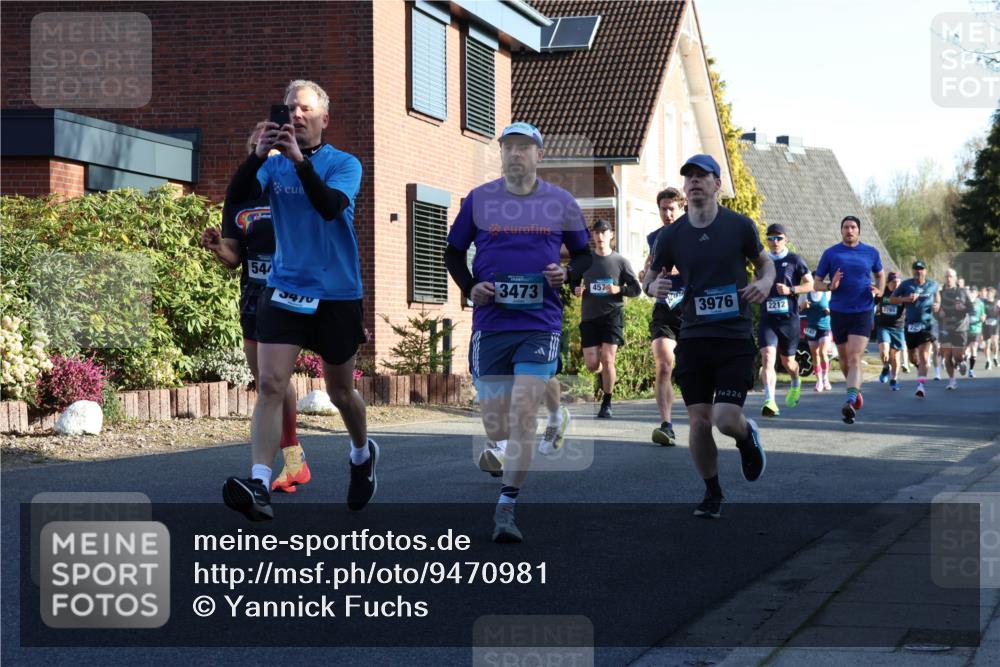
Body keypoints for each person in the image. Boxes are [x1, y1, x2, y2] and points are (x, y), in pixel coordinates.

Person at [220, 79, 374, 521]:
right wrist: (256, 156)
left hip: (337, 293)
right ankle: (260, 482)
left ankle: (362, 454)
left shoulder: (346, 163)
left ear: (324, 118)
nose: (296, 114)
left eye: (305, 108)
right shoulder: (272, 165)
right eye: (290, 107)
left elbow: (329, 207)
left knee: (341, 391)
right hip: (285, 289)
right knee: (270, 384)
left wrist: (299, 162)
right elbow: (238, 199)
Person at [444, 122, 591, 542]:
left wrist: (567, 271)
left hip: (539, 320)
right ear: (501, 154)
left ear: (539, 155)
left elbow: (582, 256)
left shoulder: (560, 202)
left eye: (524, 148)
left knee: (523, 412)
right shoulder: (480, 200)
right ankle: (549, 418)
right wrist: (470, 286)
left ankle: (506, 506)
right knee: (496, 425)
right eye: (509, 147)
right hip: (491, 323)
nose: (515, 154)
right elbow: (454, 251)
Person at [645, 153, 773, 519]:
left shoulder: (740, 226)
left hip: (733, 337)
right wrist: (656, 287)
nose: (695, 181)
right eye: (690, 177)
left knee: (725, 419)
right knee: (699, 420)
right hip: (694, 337)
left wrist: (763, 281)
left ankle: (747, 437)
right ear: (685, 188)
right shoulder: (672, 235)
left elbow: (765, 262)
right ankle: (713, 492)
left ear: (718, 184)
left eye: (703, 176)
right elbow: (650, 279)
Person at [202, 123, 310, 494]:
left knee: (275, 382)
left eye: (276, 148)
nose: (267, 154)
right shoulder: (239, 196)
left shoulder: (294, 192)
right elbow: (234, 257)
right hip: (253, 297)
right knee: (269, 382)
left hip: (291, 295)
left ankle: (289, 461)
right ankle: (293, 461)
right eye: (260, 148)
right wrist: (218, 247)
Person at [813, 215, 886, 424]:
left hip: (863, 310)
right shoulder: (831, 253)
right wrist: (830, 286)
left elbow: (881, 274)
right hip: (838, 311)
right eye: (845, 227)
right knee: (844, 360)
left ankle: (850, 400)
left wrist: (879, 291)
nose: (849, 230)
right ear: (841, 230)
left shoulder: (871, 252)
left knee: (854, 357)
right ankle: (855, 391)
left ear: (859, 231)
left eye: (853, 227)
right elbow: (816, 283)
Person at [573, 219, 641, 418]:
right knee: (593, 365)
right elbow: (573, 281)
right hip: (590, 316)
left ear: (611, 235)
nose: (600, 236)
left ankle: (607, 403)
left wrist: (619, 289)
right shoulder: (586, 260)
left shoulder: (620, 262)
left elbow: (636, 289)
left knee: (609, 359)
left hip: (613, 315)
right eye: (596, 233)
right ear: (593, 236)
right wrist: (576, 289)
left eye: (604, 232)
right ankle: (601, 372)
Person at [642, 187, 686, 446]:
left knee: (694, 369)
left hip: (691, 308)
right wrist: (649, 281)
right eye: (663, 209)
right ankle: (666, 424)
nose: (667, 214)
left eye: (672, 208)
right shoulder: (655, 238)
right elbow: (651, 270)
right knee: (664, 363)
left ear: (682, 208)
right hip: (665, 309)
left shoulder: (694, 235)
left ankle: (701, 417)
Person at [757, 224, 813, 416]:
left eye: (778, 238)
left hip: (789, 320)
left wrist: (791, 291)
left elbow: (810, 284)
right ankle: (770, 401)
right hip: (768, 320)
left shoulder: (795, 260)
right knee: (767, 359)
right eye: (770, 238)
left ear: (786, 239)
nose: (774, 242)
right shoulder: (762, 262)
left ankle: (796, 380)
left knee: (788, 363)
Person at [890, 261, 939, 398]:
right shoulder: (906, 285)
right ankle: (920, 369)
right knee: (913, 358)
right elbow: (892, 299)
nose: (919, 272)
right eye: (916, 269)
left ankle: (921, 386)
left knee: (924, 356)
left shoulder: (933, 285)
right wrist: (906, 298)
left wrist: (937, 306)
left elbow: (938, 299)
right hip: (910, 325)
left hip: (926, 325)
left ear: (925, 271)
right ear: (912, 271)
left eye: (921, 269)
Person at [937, 268, 975, 390]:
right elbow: (934, 311)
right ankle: (952, 381)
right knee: (947, 355)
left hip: (960, 327)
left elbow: (972, 308)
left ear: (955, 278)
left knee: (957, 355)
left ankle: (961, 361)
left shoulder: (962, 291)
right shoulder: (940, 293)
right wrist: (938, 313)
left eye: (951, 276)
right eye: (946, 276)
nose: (948, 279)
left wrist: (963, 307)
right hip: (945, 328)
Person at [875, 271, 906, 390]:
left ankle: (894, 379)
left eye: (898, 282)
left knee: (895, 356)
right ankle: (885, 367)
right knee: (884, 352)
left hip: (898, 327)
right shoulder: (883, 292)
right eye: (893, 282)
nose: (896, 285)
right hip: (884, 326)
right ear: (888, 282)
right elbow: (872, 303)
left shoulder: (903, 293)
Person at [800, 289, 833, 392]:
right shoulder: (805, 294)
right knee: (814, 354)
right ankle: (818, 381)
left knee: (823, 352)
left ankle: (825, 379)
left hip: (824, 327)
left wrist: (830, 311)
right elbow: (799, 309)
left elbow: (834, 308)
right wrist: (803, 306)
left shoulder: (827, 293)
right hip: (811, 328)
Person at [965, 286, 985, 378]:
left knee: (974, 348)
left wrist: (983, 318)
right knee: (965, 350)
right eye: (971, 292)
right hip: (965, 329)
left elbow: (983, 314)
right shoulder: (966, 303)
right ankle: (963, 361)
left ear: (977, 293)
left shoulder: (980, 303)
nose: (972, 293)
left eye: (974, 292)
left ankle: (971, 370)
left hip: (976, 328)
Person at [983, 287, 999, 369]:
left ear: (993, 294)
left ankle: (995, 357)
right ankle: (988, 361)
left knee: (995, 343)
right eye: (988, 292)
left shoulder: (997, 302)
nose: (989, 294)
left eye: (990, 293)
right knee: (987, 344)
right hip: (986, 325)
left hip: (995, 324)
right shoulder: (983, 302)